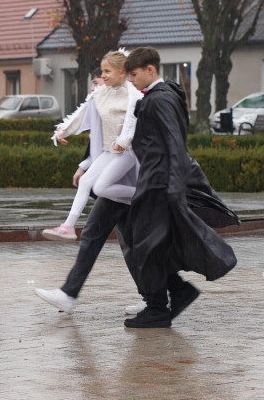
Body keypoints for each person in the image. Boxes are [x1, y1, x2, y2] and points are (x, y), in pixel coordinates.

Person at [122, 46, 240, 328]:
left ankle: (158, 308)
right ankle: (175, 293)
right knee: (153, 245)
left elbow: (175, 142)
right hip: (156, 181)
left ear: (150, 69)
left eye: (134, 74)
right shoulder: (160, 96)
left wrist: (173, 185)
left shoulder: (160, 99)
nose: (131, 81)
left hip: (159, 184)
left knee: (145, 245)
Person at [42, 50, 141, 241]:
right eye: (102, 71)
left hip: (128, 153)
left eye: (107, 71)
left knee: (101, 188)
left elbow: (133, 123)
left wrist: (123, 142)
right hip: (109, 151)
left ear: (122, 72)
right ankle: (67, 227)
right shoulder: (100, 93)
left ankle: (145, 194)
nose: (102, 76)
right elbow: (82, 114)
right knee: (87, 183)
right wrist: (63, 130)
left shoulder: (134, 95)